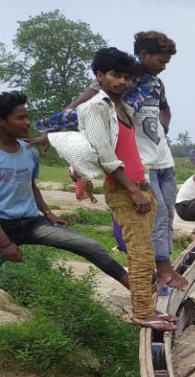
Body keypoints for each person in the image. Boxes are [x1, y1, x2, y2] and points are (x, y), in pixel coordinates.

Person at [35, 31, 186, 290]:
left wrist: (162, 128)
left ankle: (164, 265)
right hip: (139, 162)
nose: (164, 67)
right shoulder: (113, 83)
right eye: (161, 61)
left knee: (166, 214)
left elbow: (165, 108)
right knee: (154, 215)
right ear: (144, 55)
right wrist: (50, 132)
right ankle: (161, 270)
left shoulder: (153, 84)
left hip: (163, 158)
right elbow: (79, 111)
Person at [67, 48, 173, 330]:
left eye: (127, 77)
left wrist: (144, 186)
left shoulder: (121, 107)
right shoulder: (94, 107)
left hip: (139, 184)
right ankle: (142, 312)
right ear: (99, 76)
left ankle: (148, 307)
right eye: (115, 75)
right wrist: (134, 191)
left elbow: (129, 150)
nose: (123, 82)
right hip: (124, 189)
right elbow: (105, 154)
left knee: (145, 251)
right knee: (140, 255)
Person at [0, 91, 130, 290]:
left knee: (90, 246)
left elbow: (31, 186)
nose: (28, 122)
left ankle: (140, 292)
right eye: (20, 118)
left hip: (32, 224)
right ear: (2, 121)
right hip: (3, 228)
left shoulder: (29, 151)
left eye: (27, 116)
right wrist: (5, 244)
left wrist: (49, 213)